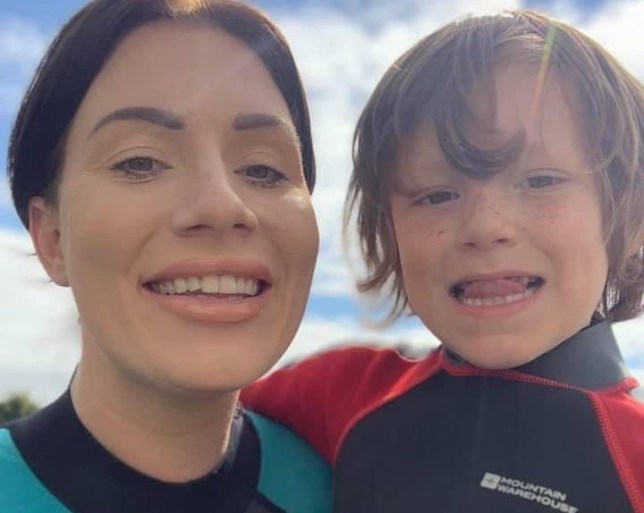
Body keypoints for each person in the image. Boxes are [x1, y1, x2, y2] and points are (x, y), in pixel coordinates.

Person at [242, 9, 644, 512]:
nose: (485, 227)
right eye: (436, 195)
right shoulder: (338, 392)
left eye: (540, 180)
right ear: (390, 232)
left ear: (631, 216)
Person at [1, 0, 331, 512]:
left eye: (264, 169)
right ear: (52, 240)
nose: (223, 205)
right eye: (139, 161)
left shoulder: (355, 485)